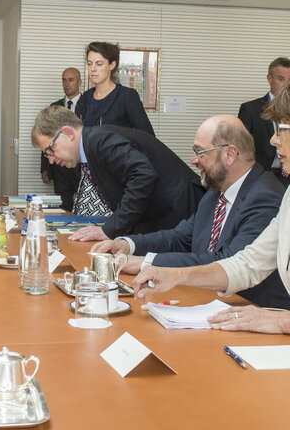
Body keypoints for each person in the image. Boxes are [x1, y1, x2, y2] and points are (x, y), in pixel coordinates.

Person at [134, 85, 290, 334]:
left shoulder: (267, 194)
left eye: (282, 129)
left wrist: (283, 321)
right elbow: (248, 264)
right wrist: (175, 276)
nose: (273, 140)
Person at [92, 115, 289, 308]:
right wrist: (127, 245)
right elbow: (181, 237)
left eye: (201, 152)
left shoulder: (266, 196)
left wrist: (147, 262)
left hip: (251, 309)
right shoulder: (215, 192)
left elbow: (230, 261)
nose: (193, 160)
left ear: (229, 155)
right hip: (209, 301)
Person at [32, 105, 204, 241]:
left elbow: (143, 175)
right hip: (164, 214)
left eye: (50, 150)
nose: (51, 160)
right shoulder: (90, 146)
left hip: (183, 209)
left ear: (68, 133)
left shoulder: (101, 141)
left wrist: (109, 230)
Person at [73, 42, 155, 216]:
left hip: (118, 178)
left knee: (111, 233)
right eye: (89, 63)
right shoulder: (85, 98)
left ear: (112, 65)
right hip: (90, 177)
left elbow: (147, 138)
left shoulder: (127, 96)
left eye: (99, 63)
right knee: (82, 230)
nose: (93, 69)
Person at [238, 57, 290, 187]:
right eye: (281, 79)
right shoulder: (250, 109)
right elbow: (242, 147)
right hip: (261, 177)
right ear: (269, 79)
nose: (286, 84)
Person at [40, 67, 82, 211]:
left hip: (81, 165)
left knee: (82, 202)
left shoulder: (89, 105)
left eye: (71, 80)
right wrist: (45, 167)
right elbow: (47, 137)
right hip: (59, 166)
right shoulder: (54, 107)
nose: (67, 84)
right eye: (64, 80)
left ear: (79, 82)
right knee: (63, 204)